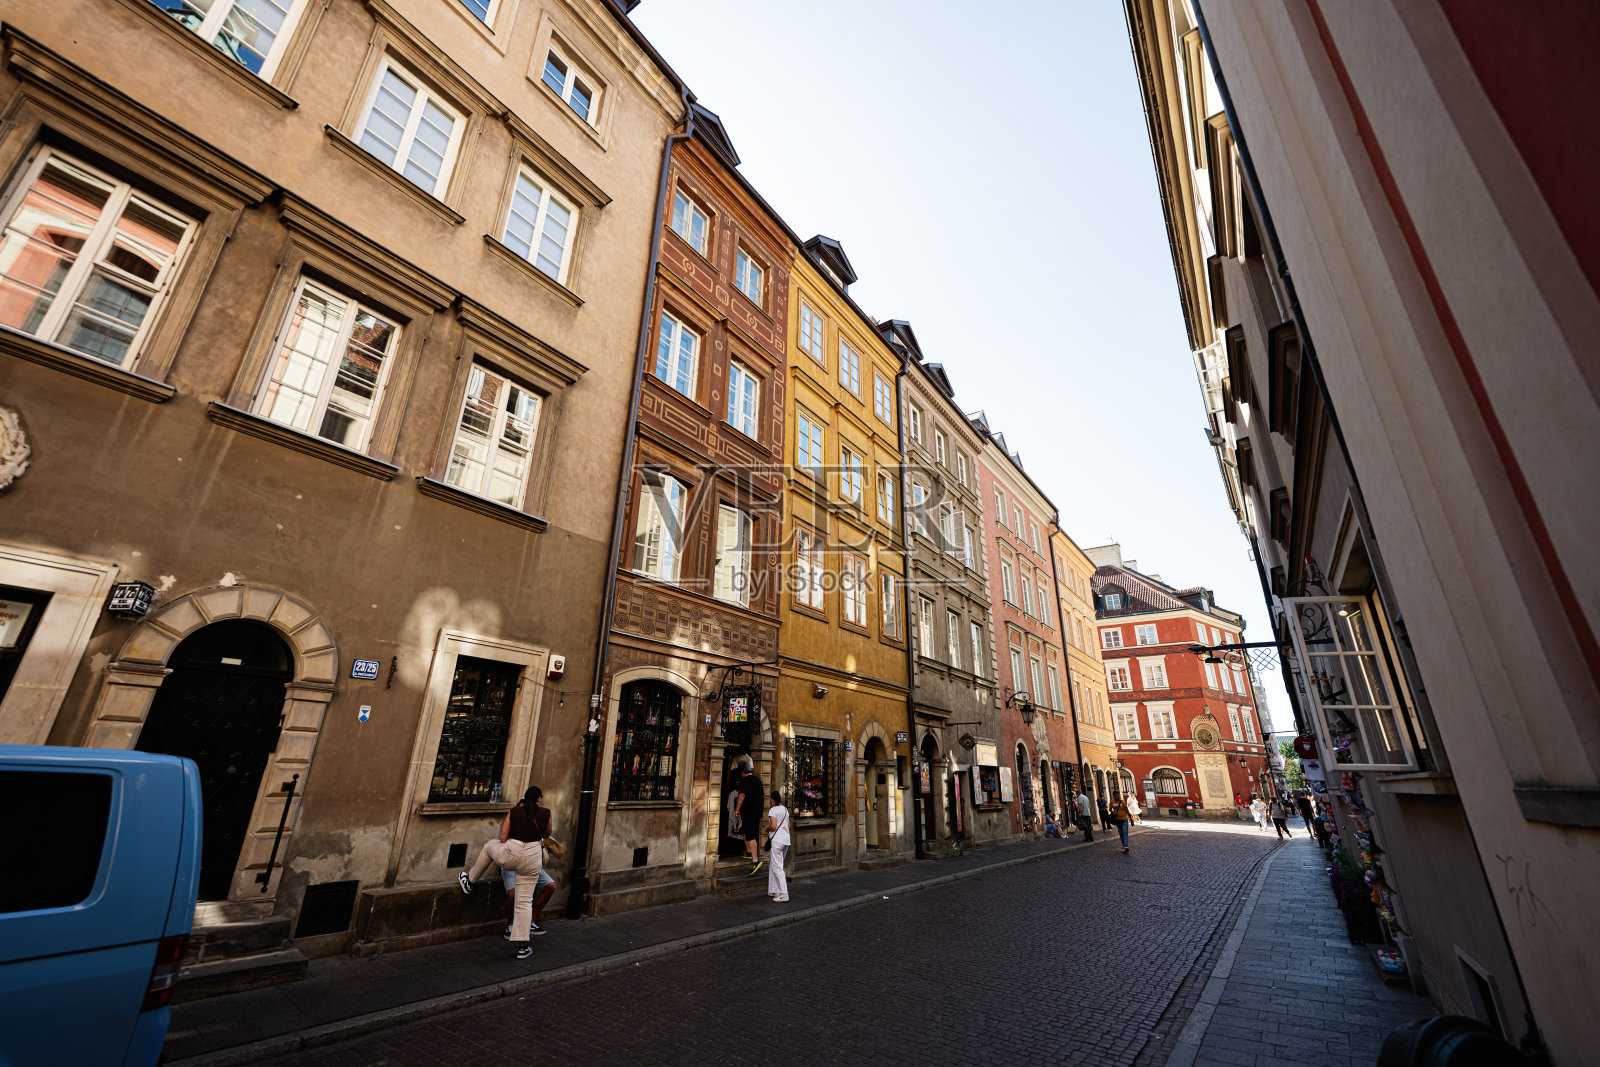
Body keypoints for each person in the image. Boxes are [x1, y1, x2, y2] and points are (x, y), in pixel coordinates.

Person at [460, 786, 544, 959]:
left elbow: (503, 838)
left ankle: (470, 881)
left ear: (524, 798)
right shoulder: (546, 813)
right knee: (524, 902)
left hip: (511, 853)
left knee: (489, 846)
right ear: (539, 799)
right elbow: (546, 833)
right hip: (532, 857)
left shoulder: (514, 812)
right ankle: (523, 946)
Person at [733, 764, 765, 874]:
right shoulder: (758, 781)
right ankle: (749, 852)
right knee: (748, 832)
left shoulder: (745, 781)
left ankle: (755, 861)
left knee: (750, 835)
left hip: (748, 812)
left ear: (743, 772)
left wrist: (737, 809)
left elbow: (741, 796)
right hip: (757, 812)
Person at [766, 789, 790, 902]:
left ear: (772, 800)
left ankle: (784, 894)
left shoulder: (773, 810)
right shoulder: (785, 809)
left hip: (777, 841)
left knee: (777, 867)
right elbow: (788, 825)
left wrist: (767, 828)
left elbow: (773, 826)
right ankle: (773, 890)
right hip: (786, 840)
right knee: (774, 865)